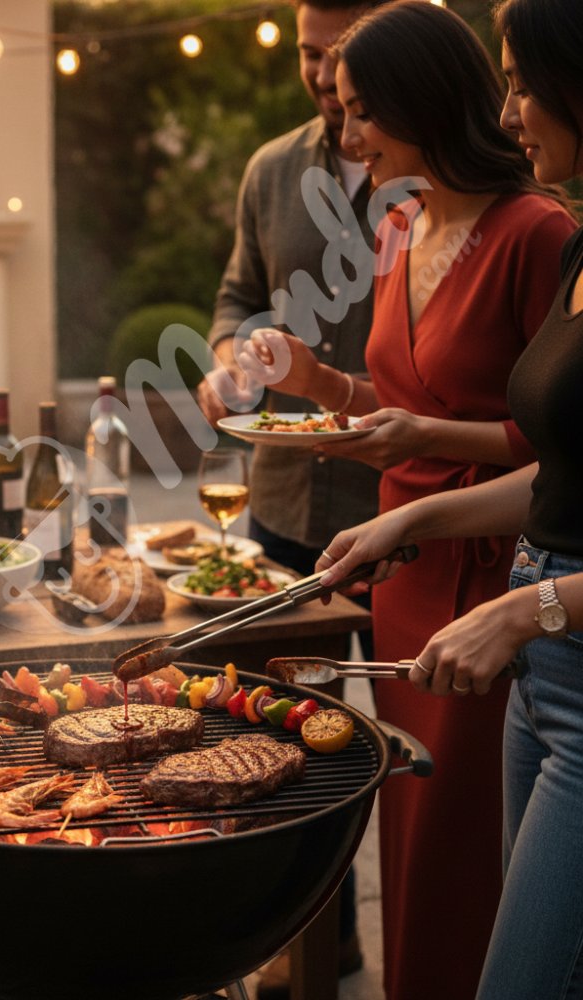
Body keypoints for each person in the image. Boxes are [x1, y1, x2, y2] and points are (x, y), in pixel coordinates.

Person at [239, 3, 576, 998]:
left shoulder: (535, 232)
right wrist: (322, 386)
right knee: (411, 833)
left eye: (360, 115)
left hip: (497, 569)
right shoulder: (398, 224)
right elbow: (402, 396)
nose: (346, 139)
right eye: (340, 114)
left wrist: (426, 444)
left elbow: (552, 437)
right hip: (405, 567)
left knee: (462, 854)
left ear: (420, 105)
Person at [196, 4, 388, 991]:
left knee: (401, 756)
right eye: (310, 55)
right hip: (278, 506)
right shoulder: (272, 167)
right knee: (279, 748)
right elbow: (237, 295)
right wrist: (230, 358)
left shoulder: (430, 168)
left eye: (340, 58)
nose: (319, 75)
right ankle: (316, 949)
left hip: (399, 509)